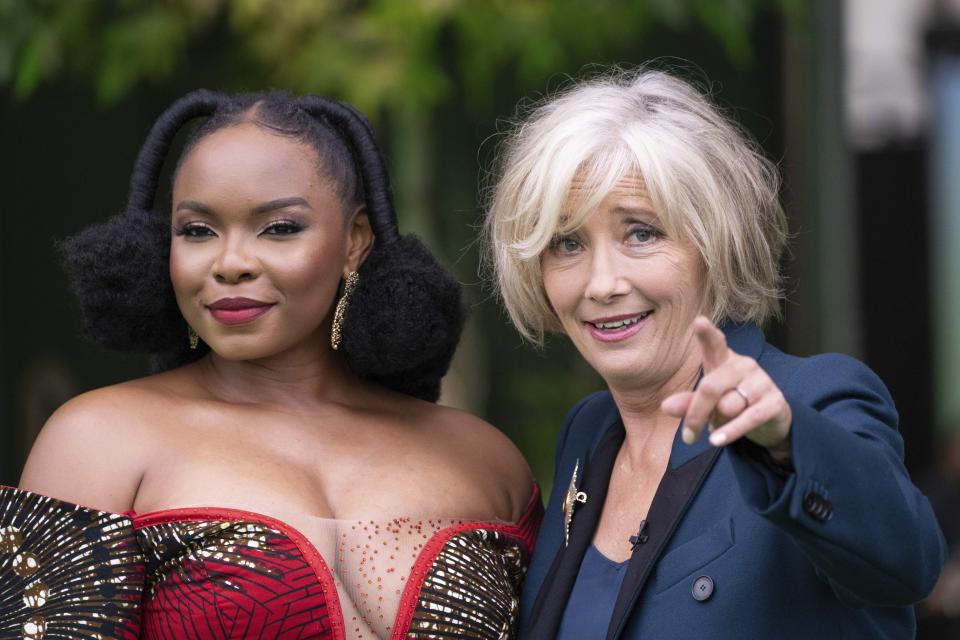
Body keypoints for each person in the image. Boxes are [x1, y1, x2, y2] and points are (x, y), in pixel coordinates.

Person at [0, 90, 538, 639]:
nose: (231, 263)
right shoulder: (97, 444)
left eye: (279, 228)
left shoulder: (486, 463)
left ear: (355, 241)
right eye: (197, 230)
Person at [484, 68, 945, 639]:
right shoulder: (589, 431)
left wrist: (784, 446)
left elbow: (909, 563)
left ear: (715, 243)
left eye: (641, 233)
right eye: (567, 243)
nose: (601, 283)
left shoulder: (811, 399)